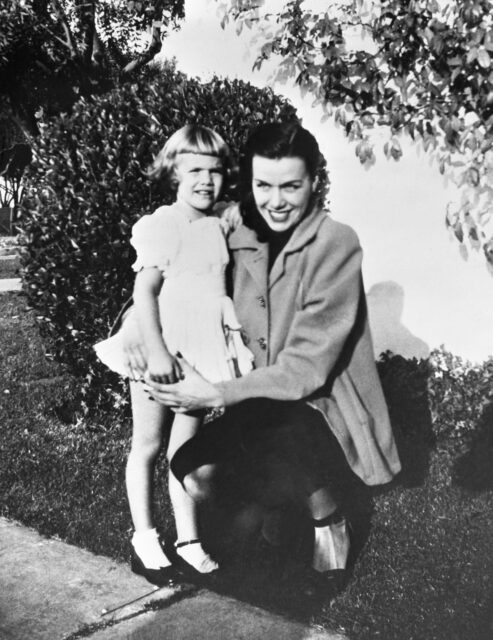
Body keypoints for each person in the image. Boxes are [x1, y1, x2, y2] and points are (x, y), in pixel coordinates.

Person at [122, 121, 402, 578]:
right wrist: (136, 332)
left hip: (319, 404)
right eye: (263, 185)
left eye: (291, 186)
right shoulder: (230, 226)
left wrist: (215, 395)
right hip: (257, 395)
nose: (276, 200)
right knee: (194, 471)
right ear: (249, 183)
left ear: (315, 182)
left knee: (282, 433)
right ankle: (279, 505)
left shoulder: (336, 244)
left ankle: (329, 517)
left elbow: (306, 367)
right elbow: (171, 282)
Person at [94, 125, 254, 585]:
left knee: (184, 451)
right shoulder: (163, 224)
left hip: (201, 351)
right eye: (195, 170)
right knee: (146, 445)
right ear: (173, 172)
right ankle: (144, 539)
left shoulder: (218, 222)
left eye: (216, 170)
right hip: (158, 347)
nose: (206, 180)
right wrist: (158, 351)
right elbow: (144, 292)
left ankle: (188, 540)